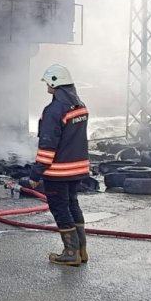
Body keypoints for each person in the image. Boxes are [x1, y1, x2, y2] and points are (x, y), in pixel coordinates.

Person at [29, 64, 90, 267]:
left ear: (55, 83)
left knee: (60, 208)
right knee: (72, 204)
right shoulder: (80, 105)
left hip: (58, 171)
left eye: (48, 82)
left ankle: (71, 253)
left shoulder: (54, 110)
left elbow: (48, 144)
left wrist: (36, 174)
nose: (46, 85)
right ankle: (81, 250)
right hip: (78, 169)